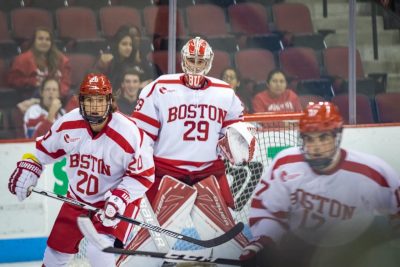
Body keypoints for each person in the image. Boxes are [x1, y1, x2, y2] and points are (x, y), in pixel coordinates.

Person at [118, 37, 252, 266]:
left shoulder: (224, 92)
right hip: (166, 177)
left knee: (231, 247)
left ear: (209, 62)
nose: (196, 65)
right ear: (183, 59)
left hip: (206, 176)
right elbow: (142, 136)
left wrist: (238, 143)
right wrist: (140, 167)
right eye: (192, 59)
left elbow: (235, 131)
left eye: (201, 61)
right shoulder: (160, 87)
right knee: (144, 252)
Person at [8, 73, 155, 267]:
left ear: (110, 101)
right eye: (89, 100)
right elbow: (43, 150)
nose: (94, 107)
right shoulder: (68, 123)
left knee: (99, 251)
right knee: (53, 256)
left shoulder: (128, 133)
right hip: (77, 199)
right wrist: (31, 166)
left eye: (100, 101)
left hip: (115, 201)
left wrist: (121, 198)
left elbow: (144, 175)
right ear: (81, 102)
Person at [240, 102, 400, 267]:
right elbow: (269, 210)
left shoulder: (371, 172)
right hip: (297, 251)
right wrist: (265, 240)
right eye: (309, 138)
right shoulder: (285, 163)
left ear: (337, 136)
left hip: (350, 254)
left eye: (323, 137)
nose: (316, 147)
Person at [7, 27, 71, 100]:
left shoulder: (62, 60)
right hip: (35, 96)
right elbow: (13, 80)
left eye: (48, 39)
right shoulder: (22, 60)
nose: (44, 42)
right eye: (40, 39)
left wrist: (57, 94)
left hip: (59, 96)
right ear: (34, 41)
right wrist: (32, 81)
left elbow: (66, 82)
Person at [95, 25, 161, 90]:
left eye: (130, 45)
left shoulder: (135, 60)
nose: (128, 48)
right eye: (124, 44)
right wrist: (138, 86)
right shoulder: (110, 61)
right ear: (117, 44)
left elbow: (152, 77)